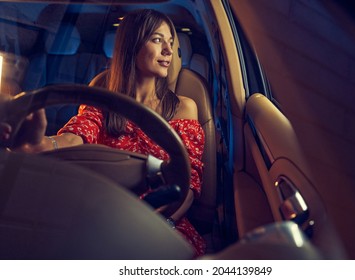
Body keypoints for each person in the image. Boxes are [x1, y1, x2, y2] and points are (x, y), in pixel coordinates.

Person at [1, 9, 206, 257]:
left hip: (163, 220)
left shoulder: (185, 107)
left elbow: (190, 182)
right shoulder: (102, 94)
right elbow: (75, 135)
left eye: (171, 43)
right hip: (100, 215)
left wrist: (159, 222)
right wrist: (39, 144)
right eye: (157, 39)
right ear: (133, 44)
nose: (168, 51)